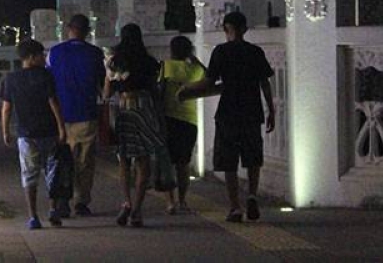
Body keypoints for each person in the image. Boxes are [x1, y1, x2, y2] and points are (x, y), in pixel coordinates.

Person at [178, 11, 275, 223]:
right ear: (245, 29)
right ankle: (251, 195)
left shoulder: (221, 52)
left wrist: (187, 89)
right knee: (252, 158)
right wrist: (271, 111)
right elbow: (265, 83)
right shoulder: (255, 51)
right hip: (252, 111)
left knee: (229, 160)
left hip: (228, 111)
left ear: (226, 29)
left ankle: (234, 207)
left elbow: (209, 82)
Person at [0, 39, 67, 230]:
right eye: (40, 55)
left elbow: (6, 108)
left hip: (26, 134)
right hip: (48, 131)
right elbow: (53, 103)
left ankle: (33, 216)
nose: (43, 58)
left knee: (29, 174)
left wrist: (5, 131)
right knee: (52, 171)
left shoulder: (10, 79)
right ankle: (53, 210)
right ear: (31, 57)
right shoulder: (45, 76)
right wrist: (62, 128)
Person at [103, 23, 163, 227]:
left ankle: (126, 202)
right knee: (143, 160)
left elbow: (106, 93)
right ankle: (137, 209)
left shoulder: (115, 61)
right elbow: (155, 91)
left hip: (124, 108)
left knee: (124, 159)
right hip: (144, 108)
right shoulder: (149, 61)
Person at [46, 13, 105, 217]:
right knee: (85, 162)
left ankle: (62, 198)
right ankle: (81, 202)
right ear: (87, 32)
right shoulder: (96, 54)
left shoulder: (54, 53)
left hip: (59, 115)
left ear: (68, 29)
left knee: (62, 159)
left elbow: (48, 83)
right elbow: (101, 85)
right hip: (86, 113)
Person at [159, 35, 206, 215]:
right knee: (183, 163)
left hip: (168, 118)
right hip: (189, 121)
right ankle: (183, 200)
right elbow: (210, 75)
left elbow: (160, 90)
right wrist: (195, 59)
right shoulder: (194, 69)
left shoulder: (166, 66)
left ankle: (170, 201)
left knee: (168, 162)